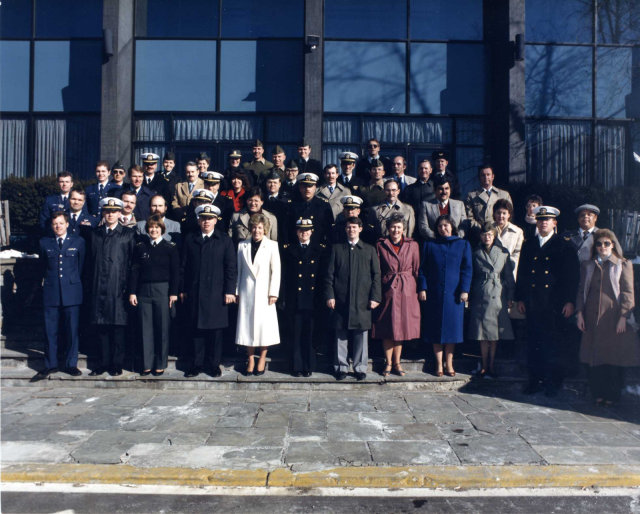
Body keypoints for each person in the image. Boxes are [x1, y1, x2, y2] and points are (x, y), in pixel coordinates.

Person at [515, 206, 579, 396]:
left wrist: (569, 301)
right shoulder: (529, 244)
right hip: (534, 303)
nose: (543, 223)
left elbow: (571, 277)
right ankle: (535, 380)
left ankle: (553, 383)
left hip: (555, 304)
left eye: (547, 220)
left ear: (554, 223)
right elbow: (523, 273)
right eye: (540, 219)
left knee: (554, 345)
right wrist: (520, 298)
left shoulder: (565, 245)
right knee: (534, 343)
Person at [576, 229, 640, 405]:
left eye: (606, 243)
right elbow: (581, 290)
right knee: (593, 358)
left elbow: (628, 293)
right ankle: (597, 393)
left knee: (612, 358)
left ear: (613, 245)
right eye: (599, 243)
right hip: (591, 318)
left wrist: (623, 318)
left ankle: (612, 395)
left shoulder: (622, 264)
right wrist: (579, 313)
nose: (602, 247)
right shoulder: (588, 265)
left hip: (613, 319)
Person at [180, 204, 237, 378]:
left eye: (210, 218)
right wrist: (182, 289)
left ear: (216, 220)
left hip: (217, 293)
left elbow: (231, 268)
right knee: (196, 330)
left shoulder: (224, 240)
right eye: (203, 218)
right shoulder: (190, 239)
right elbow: (183, 266)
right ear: (198, 220)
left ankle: (213, 365)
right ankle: (196, 364)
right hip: (195, 292)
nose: (206, 222)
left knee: (215, 332)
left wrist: (229, 291)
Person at [325, 217, 382, 381]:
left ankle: (359, 367)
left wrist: (375, 297)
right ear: (345, 229)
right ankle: (341, 367)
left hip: (362, 300)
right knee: (340, 335)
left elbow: (376, 275)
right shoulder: (337, 249)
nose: (352, 230)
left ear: (361, 229)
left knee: (361, 335)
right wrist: (330, 295)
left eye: (355, 227)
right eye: (349, 227)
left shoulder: (369, 250)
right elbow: (329, 275)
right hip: (340, 299)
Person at [32, 211, 85, 381]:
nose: (58, 226)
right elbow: (42, 267)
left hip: (72, 292)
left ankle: (71, 364)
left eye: (61, 223)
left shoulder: (78, 242)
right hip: (51, 292)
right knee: (50, 331)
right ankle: (50, 364)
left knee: (72, 330)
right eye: (55, 224)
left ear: (67, 224)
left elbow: (81, 266)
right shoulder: (44, 243)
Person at [418, 215, 472, 377]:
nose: (443, 228)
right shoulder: (430, 245)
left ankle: (449, 364)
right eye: (440, 226)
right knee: (436, 330)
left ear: (452, 227)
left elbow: (467, 269)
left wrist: (465, 290)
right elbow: (422, 269)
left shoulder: (462, 244)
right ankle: (438, 364)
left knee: (452, 330)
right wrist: (423, 288)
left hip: (454, 295)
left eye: (446, 225)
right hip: (434, 294)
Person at [87, 197, 136, 376]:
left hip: (118, 288)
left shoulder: (128, 234)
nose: (110, 214)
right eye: (107, 211)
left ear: (119, 213)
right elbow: (89, 263)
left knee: (117, 328)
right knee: (101, 328)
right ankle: (102, 362)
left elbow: (133, 264)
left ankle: (116, 363)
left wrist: (130, 288)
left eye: (114, 211)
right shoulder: (95, 234)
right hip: (98, 287)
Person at [129, 215, 179, 376]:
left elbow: (175, 273)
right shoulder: (140, 247)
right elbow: (135, 271)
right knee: (145, 329)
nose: (154, 230)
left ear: (162, 229)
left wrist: (173, 293)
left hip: (162, 291)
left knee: (162, 328)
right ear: (147, 229)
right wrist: (132, 292)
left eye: (157, 227)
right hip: (144, 291)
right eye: (151, 227)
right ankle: (147, 363)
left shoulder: (170, 247)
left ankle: (160, 363)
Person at [372, 214, 421, 377]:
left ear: (404, 229)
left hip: (406, 289)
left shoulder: (412, 244)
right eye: (393, 226)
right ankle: (388, 363)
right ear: (388, 228)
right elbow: (377, 269)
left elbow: (416, 268)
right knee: (387, 325)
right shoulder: (380, 244)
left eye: (399, 227)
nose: (395, 230)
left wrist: (414, 287)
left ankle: (397, 363)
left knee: (401, 327)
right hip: (388, 288)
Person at [235, 213, 281, 375]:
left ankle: (262, 357)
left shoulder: (272, 246)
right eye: (254, 227)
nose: (257, 230)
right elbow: (239, 271)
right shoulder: (242, 245)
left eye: (260, 228)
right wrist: (236, 291)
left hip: (265, 293)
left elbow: (276, 271)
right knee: (246, 327)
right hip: (246, 292)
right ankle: (251, 358)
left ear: (265, 229)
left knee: (264, 327)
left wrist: (273, 293)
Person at [467, 222, 515, 378]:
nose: (486, 237)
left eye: (489, 234)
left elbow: (508, 277)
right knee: (482, 333)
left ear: (494, 236)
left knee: (494, 332)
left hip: (497, 294)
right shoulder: (475, 252)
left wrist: (510, 297)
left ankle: (492, 365)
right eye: (484, 234)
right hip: (481, 293)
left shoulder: (503, 252)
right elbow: (471, 275)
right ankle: (484, 364)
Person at [281, 219, 324, 377]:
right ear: (296, 232)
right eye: (300, 230)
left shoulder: (319, 250)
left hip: (313, 299)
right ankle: (296, 366)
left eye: (307, 230)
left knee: (310, 333)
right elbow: (284, 277)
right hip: (295, 299)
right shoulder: (289, 250)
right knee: (296, 333)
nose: (304, 233)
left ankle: (309, 365)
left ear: (312, 231)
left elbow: (323, 277)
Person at [288, 173, 333, 245]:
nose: (307, 189)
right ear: (300, 187)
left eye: (310, 186)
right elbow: (287, 229)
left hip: (319, 248)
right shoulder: (291, 205)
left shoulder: (324, 205)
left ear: (315, 187)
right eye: (304, 186)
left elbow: (329, 230)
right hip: (296, 247)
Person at [465, 164, 513, 230]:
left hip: (499, 231)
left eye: (488, 175)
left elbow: (510, 215)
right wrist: (483, 229)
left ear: (492, 176)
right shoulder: (471, 196)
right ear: (479, 177)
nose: (486, 177)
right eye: (483, 175)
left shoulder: (504, 195)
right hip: (480, 233)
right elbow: (469, 217)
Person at [418, 176, 468, 240]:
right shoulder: (426, 205)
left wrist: (456, 237)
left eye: (446, 188)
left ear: (450, 190)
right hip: (435, 243)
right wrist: (438, 238)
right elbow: (423, 227)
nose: (444, 192)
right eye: (440, 189)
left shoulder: (459, 205)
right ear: (435, 190)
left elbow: (464, 225)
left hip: (455, 242)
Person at [493, 199, 523, 278]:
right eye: (498, 213)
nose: (501, 216)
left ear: (509, 214)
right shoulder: (488, 229)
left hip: (510, 271)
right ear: (494, 214)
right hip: (492, 272)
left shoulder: (518, 232)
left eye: (504, 213)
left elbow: (518, 254)